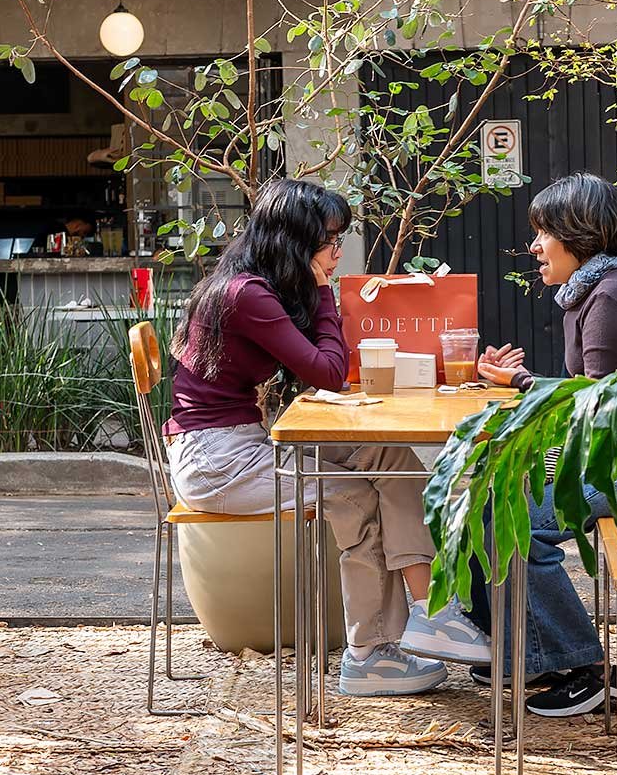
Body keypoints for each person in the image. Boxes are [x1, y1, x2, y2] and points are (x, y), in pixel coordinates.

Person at [165, 178, 492, 696]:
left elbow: (321, 368)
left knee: (390, 455)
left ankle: (433, 614)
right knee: (356, 493)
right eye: (330, 241)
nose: (337, 251)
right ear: (295, 242)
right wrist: (322, 291)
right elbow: (329, 372)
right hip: (215, 462)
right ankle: (370, 653)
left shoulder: (253, 285)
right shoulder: (247, 294)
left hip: (238, 442)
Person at [473, 172, 617, 718]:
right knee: (491, 492)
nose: (534, 246)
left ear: (580, 234)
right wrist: (522, 382)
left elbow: (598, 405)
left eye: (543, 232)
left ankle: (584, 669)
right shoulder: (595, 291)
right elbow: (593, 396)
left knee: (520, 519)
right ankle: (527, 652)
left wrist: (524, 385)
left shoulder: (612, 297)